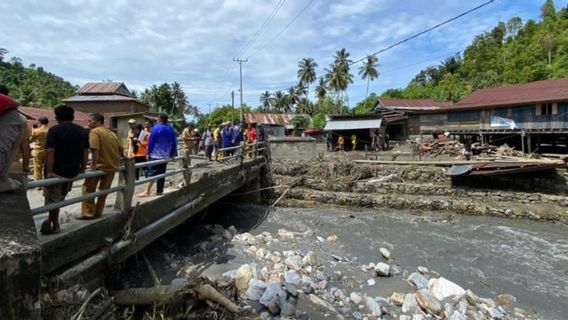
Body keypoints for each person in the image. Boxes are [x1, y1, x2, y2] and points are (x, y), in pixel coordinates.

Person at [42, 105, 89, 233]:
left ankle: (53, 223)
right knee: (60, 197)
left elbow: (50, 151)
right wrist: (83, 168)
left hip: (56, 171)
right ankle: (53, 222)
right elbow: (85, 151)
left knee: (52, 198)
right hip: (72, 170)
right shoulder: (82, 131)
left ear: (57, 117)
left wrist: (50, 171)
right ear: (73, 117)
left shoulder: (54, 130)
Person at [79, 113, 122, 219]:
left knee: (87, 189)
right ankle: (98, 211)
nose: (88, 123)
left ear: (97, 122)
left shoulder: (95, 132)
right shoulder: (112, 133)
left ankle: (88, 213)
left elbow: (95, 149)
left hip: (100, 165)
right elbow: (121, 149)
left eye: (90, 121)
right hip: (112, 165)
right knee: (104, 191)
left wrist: (93, 165)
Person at [137, 114, 177, 197]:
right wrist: (172, 153)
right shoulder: (171, 129)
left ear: (159, 119)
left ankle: (147, 191)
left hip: (156, 155)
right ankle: (159, 190)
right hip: (165, 155)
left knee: (152, 173)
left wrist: (148, 152)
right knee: (162, 173)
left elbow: (151, 142)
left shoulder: (156, 128)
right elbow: (174, 142)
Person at [0, 93, 30, 192]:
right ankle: (2, 180)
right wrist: (26, 165)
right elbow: (25, 145)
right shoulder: (20, 119)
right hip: (13, 162)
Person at [29, 117, 49, 183]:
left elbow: (30, 140)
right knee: (47, 168)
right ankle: (48, 183)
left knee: (37, 168)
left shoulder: (36, 131)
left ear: (40, 122)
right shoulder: (51, 130)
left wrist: (33, 131)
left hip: (38, 151)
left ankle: (39, 184)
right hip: (47, 151)